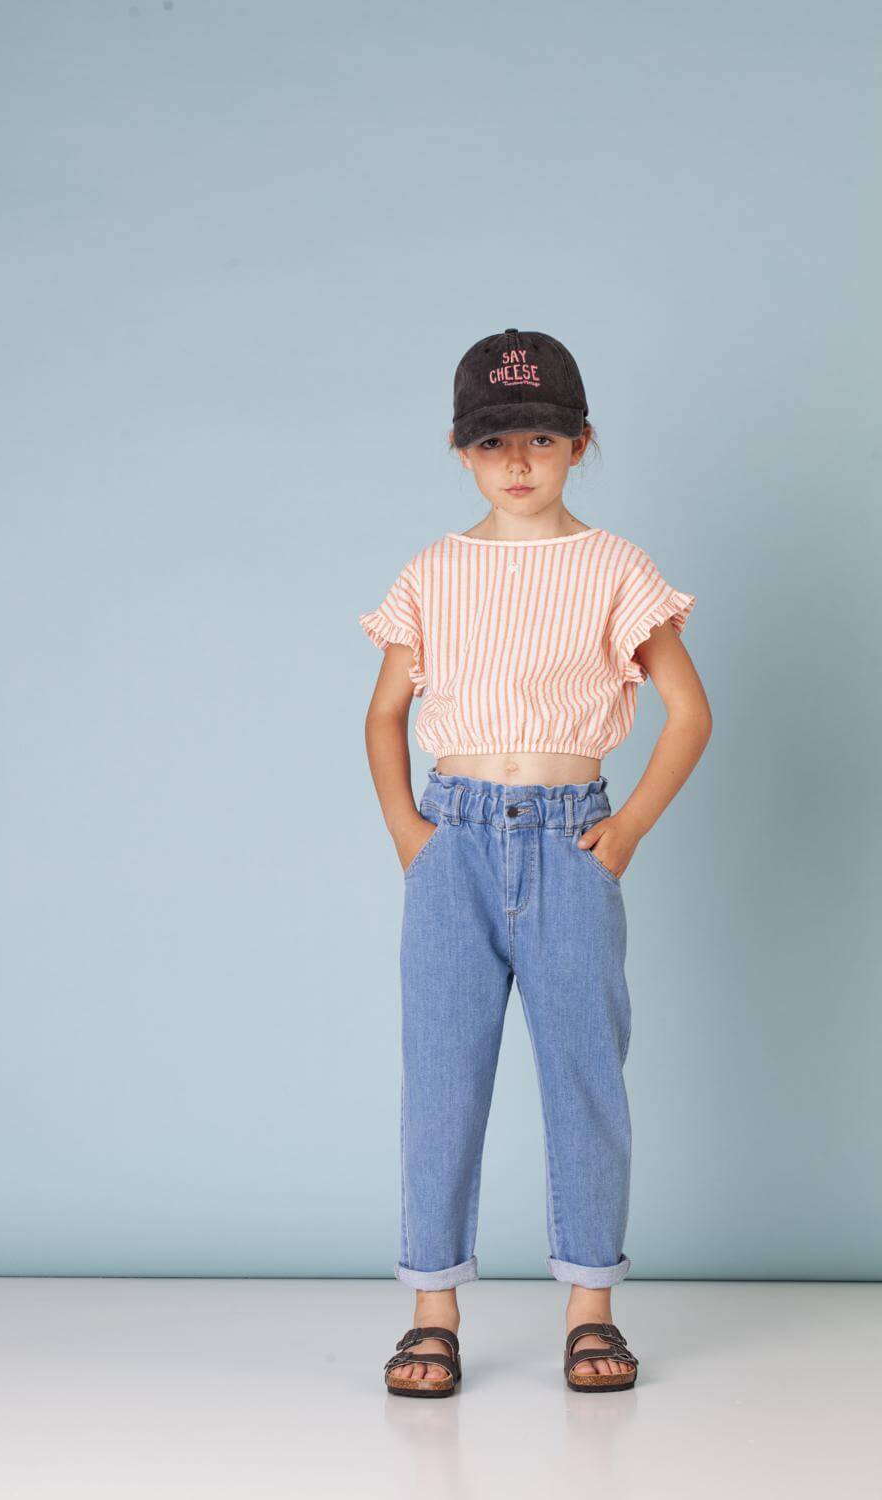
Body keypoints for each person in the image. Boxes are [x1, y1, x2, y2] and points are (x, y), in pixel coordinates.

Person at [358, 328, 712, 1397]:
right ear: (462, 450)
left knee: (584, 1075)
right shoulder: (434, 570)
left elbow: (688, 712)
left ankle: (590, 1306)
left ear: (580, 445)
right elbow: (385, 713)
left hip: (569, 843)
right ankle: (432, 1310)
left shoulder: (614, 567)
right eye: (494, 442)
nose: (518, 461)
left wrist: (629, 828)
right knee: (441, 1078)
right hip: (455, 842)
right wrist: (409, 832)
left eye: (543, 440)